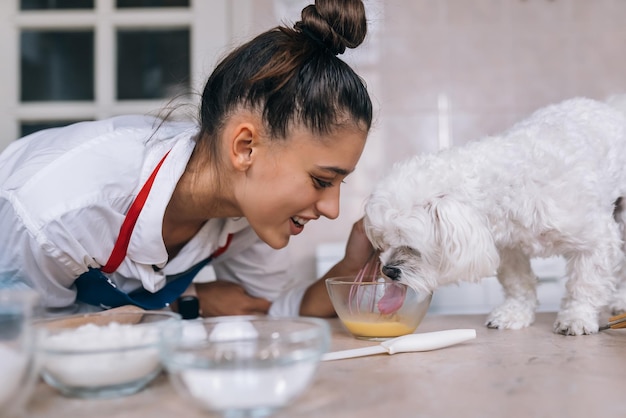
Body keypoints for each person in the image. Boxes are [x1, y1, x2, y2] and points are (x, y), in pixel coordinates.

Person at [0, 0, 374, 318]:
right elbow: (23, 342)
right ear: (244, 147)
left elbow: (267, 312)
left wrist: (352, 268)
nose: (332, 209)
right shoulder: (60, 210)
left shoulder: (250, 214)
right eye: (323, 180)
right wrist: (187, 302)